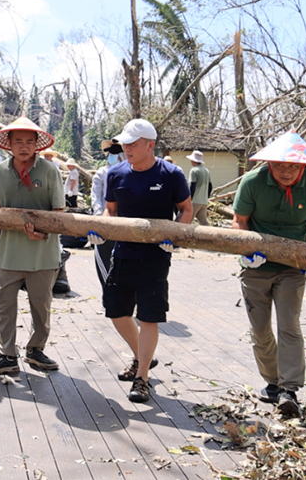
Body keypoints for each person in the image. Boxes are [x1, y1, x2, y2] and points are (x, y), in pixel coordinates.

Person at [86, 119, 192, 403]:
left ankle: (142, 376)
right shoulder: (115, 174)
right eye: (125, 144)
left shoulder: (171, 173)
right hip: (122, 253)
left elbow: (185, 209)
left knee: (148, 317)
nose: (126, 149)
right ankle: (141, 357)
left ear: (150, 145)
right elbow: (111, 211)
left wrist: (176, 235)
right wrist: (102, 230)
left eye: (133, 144)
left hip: (156, 258)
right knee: (116, 312)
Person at [232, 130, 306, 418]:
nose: (285, 171)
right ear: (269, 163)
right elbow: (240, 221)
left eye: (292, 166)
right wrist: (247, 250)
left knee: (289, 326)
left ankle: (290, 389)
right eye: (279, 165)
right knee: (260, 330)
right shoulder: (252, 181)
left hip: (292, 267)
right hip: (256, 268)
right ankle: (272, 381)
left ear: (304, 165)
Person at [0, 116, 65, 375]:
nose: (24, 146)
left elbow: (59, 212)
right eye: (18, 141)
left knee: (41, 307)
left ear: (37, 145)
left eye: (29, 142)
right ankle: (6, 355)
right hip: (9, 252)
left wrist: (42, 234)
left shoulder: (50, 170)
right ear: (8, 144)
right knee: (5, 306)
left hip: (43, 253)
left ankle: (35, 350)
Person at [90, 139, 124, 288]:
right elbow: (95, 196)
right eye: (111, 152)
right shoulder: (102, 173)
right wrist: (99, 220)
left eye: (117, 152)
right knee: (104, 264)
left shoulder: (129, 173)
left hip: (124, 226)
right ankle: (108, 295)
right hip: (104, 224)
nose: (113, 155)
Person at [187, 150, 211, 226]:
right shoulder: (206, 171)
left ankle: (183, 237)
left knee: (187, 220)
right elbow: (210, 186)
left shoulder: (194, 170)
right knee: (204, 222)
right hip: (204, 201)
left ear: (194, 160)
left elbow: (192, 185)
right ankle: (210, 236)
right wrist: (206, 197)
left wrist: (189, 199)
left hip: (195, 200)